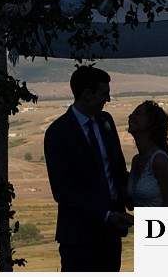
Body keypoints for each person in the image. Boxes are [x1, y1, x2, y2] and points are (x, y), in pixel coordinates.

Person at [44, 65, 131, 272]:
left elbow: (118, 169)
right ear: (87, 94)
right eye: (104, 94)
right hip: (78, 237)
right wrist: (105, 215)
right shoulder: (58, 133)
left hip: (111, 234)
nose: (108, 100)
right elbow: (62, 191)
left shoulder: (106, 122)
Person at [126, 100, 168, 207]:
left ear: (151, 123)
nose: (131, 116)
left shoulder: (158, 159)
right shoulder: (136, 160)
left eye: (138, 114)